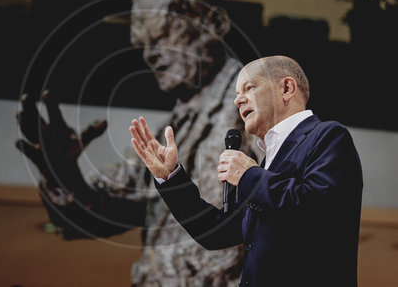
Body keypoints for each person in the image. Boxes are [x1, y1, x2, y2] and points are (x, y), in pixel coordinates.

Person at [16, 0, 262, 286]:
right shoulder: (172, 129)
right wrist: (65, 175)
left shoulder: (258, 111)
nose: (149, 55)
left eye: (161, 35)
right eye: (142, 43)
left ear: (213, 23)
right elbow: (97, 215)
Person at [130, 55, 363, 287]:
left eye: (248, 88)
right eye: (235, 94)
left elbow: (317, 209)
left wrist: (249, 175)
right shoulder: (268, 163)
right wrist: (170, 177)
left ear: (287, 88)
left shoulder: (328, 136)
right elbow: (216, 232)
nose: (237, 101)